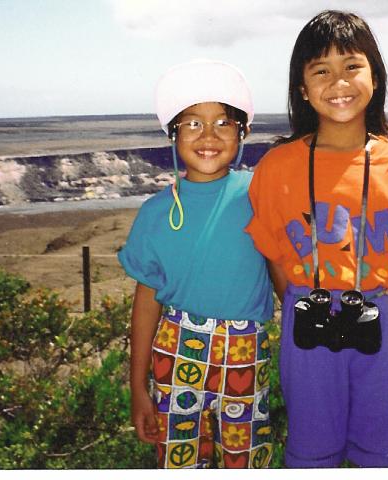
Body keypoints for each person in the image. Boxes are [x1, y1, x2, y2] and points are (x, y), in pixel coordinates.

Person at [245, 10, 388, 468]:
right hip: (307, 318)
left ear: (374, 78)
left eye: (352, 66)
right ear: (302, 88)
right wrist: (302, 298)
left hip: (377, 317)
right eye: (321, 70)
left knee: (385, 451)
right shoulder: (278, 166)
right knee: (312, 451)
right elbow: (273, 251)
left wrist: (387, 286)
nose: (338, 82)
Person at [118, 59, 275, 469]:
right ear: (173, 134)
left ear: (243, 133)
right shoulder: (155, 213)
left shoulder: (260, 193)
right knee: (180, 462)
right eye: (192, 124)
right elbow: (146, 301)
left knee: (246, 461)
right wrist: (138, 388)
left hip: (246, 351)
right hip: (176, 352)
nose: (208, 136)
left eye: (223, 123)